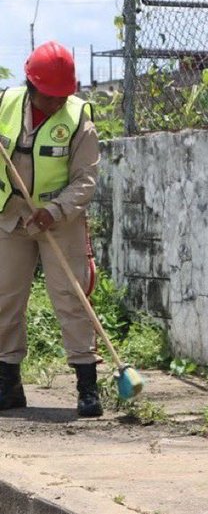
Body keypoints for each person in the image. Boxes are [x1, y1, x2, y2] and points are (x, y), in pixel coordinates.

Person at [0, 43, 102, 419]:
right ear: (30, 85)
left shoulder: (79, 120)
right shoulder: (5, 105)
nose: (57, 102)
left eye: (64, 96)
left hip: (60, 222)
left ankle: (87, 387)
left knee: (70, 297)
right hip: (11, 216)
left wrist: (55, 211)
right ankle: (7, 385)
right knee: (4, 299)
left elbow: (85, 180)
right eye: (50, 96)